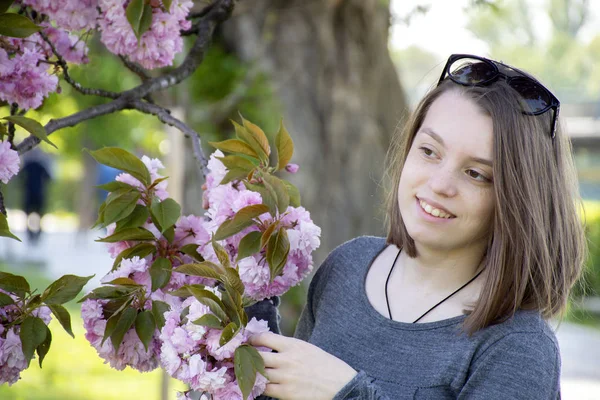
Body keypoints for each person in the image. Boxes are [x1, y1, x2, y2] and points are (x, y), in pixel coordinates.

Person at [249, 54, 586, 399]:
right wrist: (247, 309)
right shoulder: (346, 268)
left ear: (518, 200)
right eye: (429, 151)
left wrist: (345, 394)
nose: (440, 184)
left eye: (476, 174)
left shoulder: (518, 348)